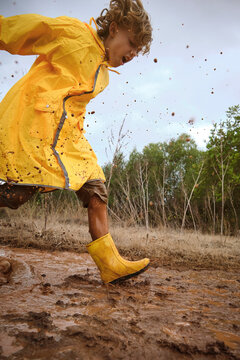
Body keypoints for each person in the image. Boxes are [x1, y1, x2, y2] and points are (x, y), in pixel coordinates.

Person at [0, 0, 152, 284]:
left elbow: (75, 107)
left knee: (96, 189)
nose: (132, 52)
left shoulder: (104, 74)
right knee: (16, 196)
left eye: (138, 49)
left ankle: (110, 265)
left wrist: (78, 143)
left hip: (68, 138)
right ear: (115, 28)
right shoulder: (75, 35)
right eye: (131, 42)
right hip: (34, 125)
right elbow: (26, 30)